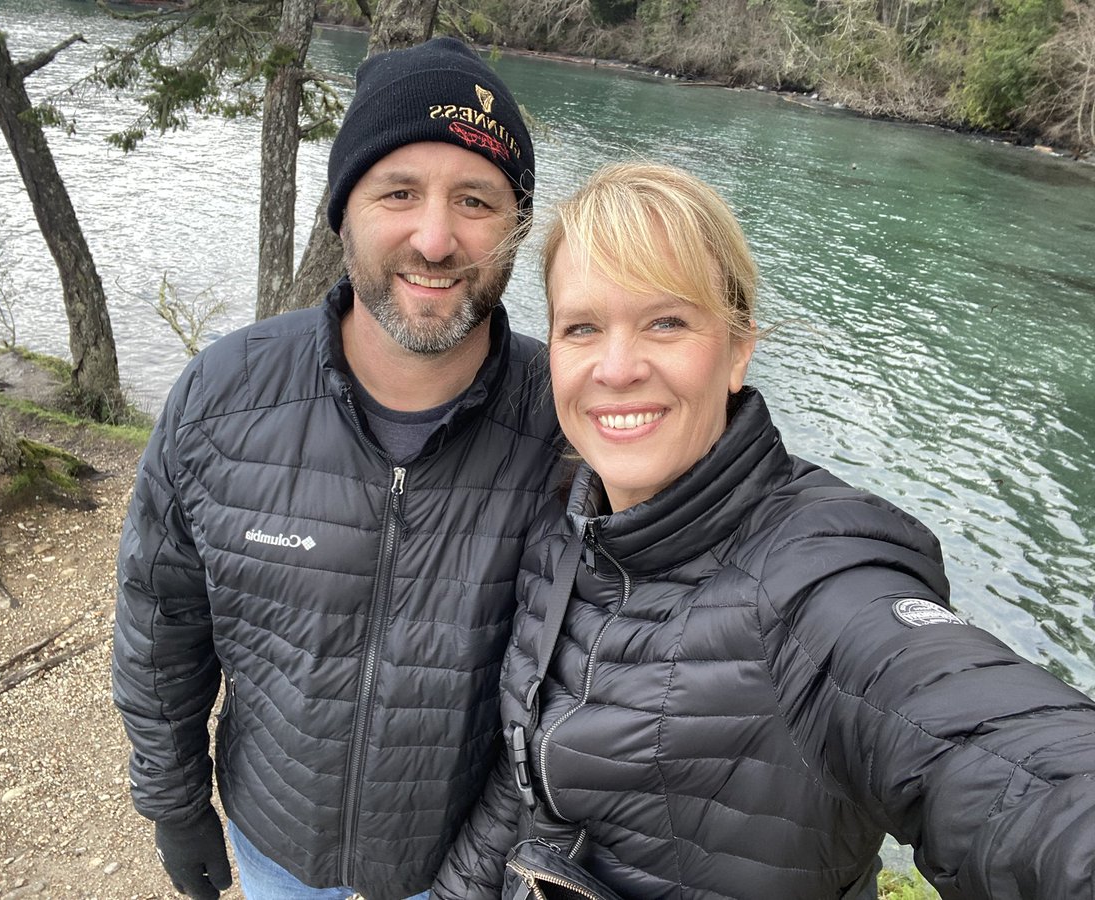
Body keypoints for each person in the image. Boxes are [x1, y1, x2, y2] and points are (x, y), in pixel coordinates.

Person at [432, 162, 1095, 899]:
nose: (616, 367)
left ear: (739, 347)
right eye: (582, 327)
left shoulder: (814, 574)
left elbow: (1009, 761)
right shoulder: (570, 531)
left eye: (667, 322)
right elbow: (524, 790)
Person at [112, 37, 561, 900]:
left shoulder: (570, 426)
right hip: (278, 842)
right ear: (343, 208)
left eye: (475, 199)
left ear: (515, 227)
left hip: (472, 867)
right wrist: (174, 804)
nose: (435, 238)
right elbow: (160, 624)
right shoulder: (222, 396)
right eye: (399, 192)